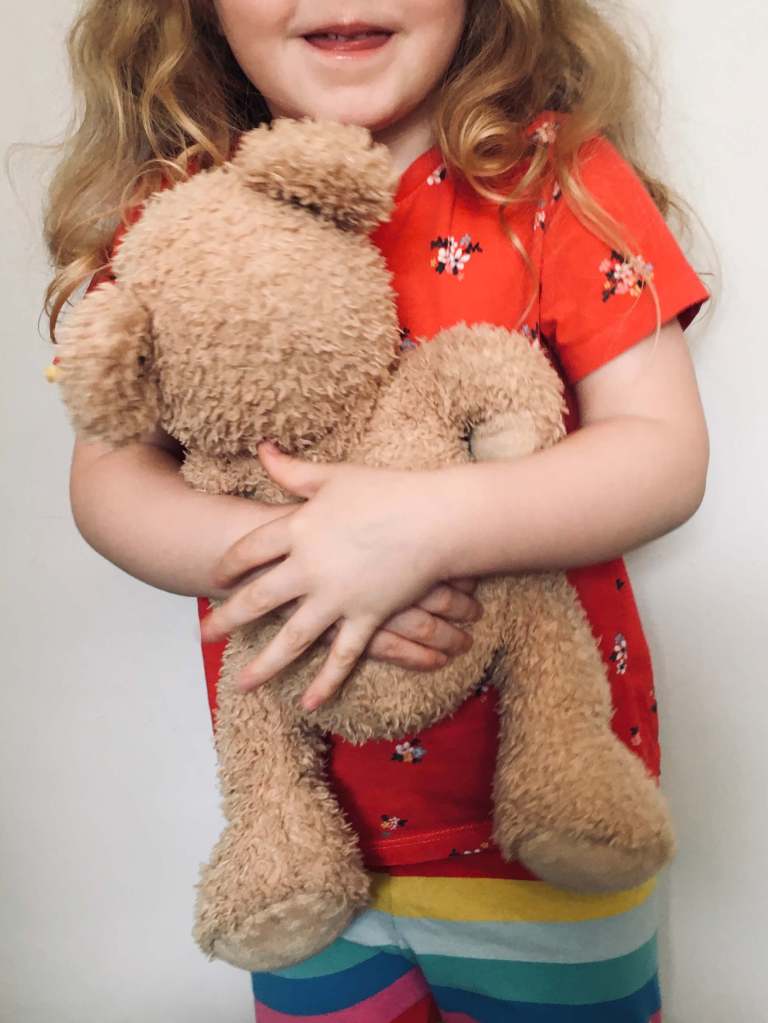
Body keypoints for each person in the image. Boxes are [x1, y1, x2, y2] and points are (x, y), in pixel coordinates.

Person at [45, 1, 710, 1020]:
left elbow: (661, 455)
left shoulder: (549, 179)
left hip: (546, 818)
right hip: (304, 847)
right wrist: (298, 554)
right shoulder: (178, 214)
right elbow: (109, 479)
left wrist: (417, 527)